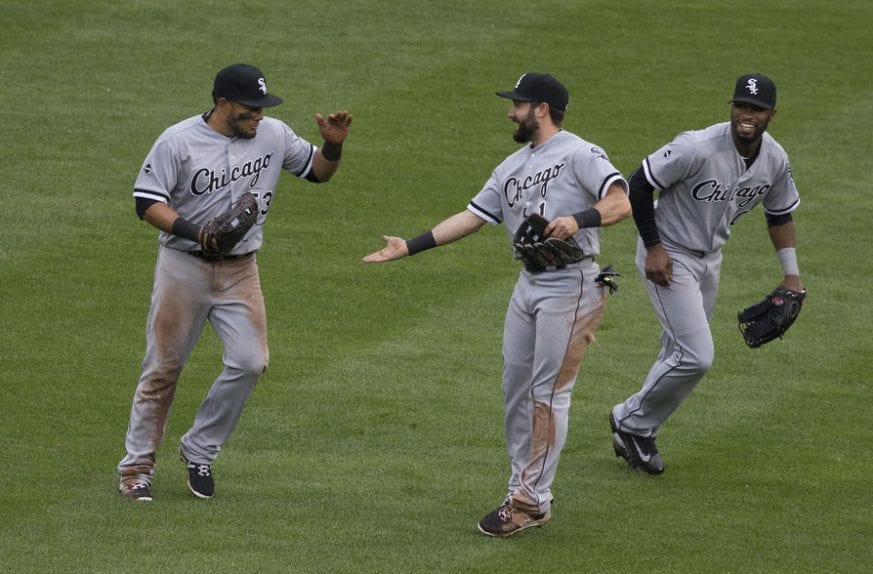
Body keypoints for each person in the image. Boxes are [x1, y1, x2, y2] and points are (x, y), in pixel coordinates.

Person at [363, 72, 631, 537]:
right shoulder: (511, 167)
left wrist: (577, 219)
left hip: (572, 285)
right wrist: (410, 246)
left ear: (541, 109)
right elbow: (472, 216)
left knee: (548, 394)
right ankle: (521, 488)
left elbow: (621, 202)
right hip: (529, 283)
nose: (511, 112)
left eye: (518, 104)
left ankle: (530, 502)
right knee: (516, 390)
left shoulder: (580, 153)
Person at [118, 63, 353, 501]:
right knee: (163, 370)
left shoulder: (274, 134)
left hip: (241, 270)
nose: (259, 116)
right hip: (184, 267)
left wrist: (333, 146)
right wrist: (197, 233)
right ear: (223, 103)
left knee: (250, 362)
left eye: (263, 108)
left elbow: (317, 172)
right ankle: (136, 469)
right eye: (250, 109)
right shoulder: (177, 141)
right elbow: (146, 202)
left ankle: (199, 448)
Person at [608, 73, 805, 475]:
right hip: (668, 254)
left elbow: (780, 213)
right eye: (741, 106)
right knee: (696, 355)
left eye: (756, 109)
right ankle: (629, 420)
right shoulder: (696, 147)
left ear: (772, 114)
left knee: (676, 350)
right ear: (731, 107)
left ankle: (640, 432)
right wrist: (654, 247)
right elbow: (639, 184)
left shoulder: (774, 159)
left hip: (711, 259)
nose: (747, 115)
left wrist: (792, 277)